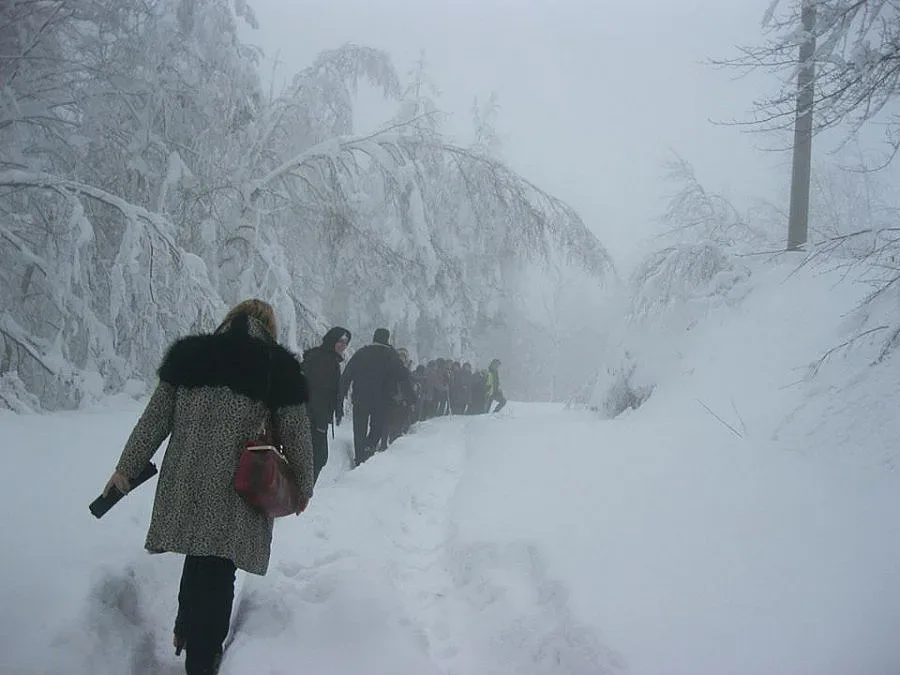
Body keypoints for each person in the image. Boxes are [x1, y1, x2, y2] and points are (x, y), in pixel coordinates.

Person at [98, 299, 314, 675]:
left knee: (198, 556)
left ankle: (186, 629)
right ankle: (203, 658)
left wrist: (125, 469)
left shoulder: (190, 356)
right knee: (218, 568)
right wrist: (304, 486)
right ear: (269, 328)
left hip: (186, 479)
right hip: (240, 484)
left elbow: (153, 421)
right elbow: (297, 433)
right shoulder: (276, 366)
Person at [339, 328, 413, 466]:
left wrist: (340, 397)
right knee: (377, 428)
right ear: (387, 339)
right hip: (382, 401)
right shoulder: (391, 356)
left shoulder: (361, 353)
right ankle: (369, 447)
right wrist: (410, 397)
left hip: (360, 398)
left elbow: (347, 375)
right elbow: (403, 376)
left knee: (359, 428)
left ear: (374, 337)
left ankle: (360, 456)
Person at [302, 327, 350, 482]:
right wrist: (320, 421)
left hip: (312, 415)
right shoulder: (324, 360)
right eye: (340, 341)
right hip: (312, 417)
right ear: (332, 340)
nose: (343, 345)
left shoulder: (326, 358)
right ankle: (302, 493)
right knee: (318, 457)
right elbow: (319, 392)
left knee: (314, 457)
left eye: (346, 342)